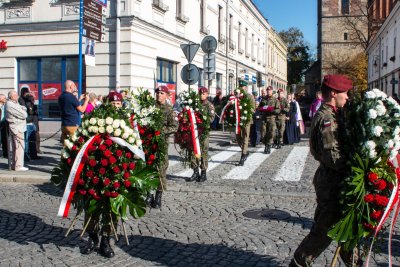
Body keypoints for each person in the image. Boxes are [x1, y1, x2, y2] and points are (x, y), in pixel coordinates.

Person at [289, 74, 357, 267]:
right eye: (345, 93)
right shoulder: (326, 118)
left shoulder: (336, 113)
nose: (348, 97)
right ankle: (299, 263)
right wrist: (358, 168)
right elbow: (332, 156)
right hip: (332, 183)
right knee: (324, 232)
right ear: (334, 93)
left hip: (340, 180)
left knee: (348, 229)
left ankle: (356, 262)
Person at [82, 91, 123, 259]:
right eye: (112, 104)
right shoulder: (96, 117)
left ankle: (106, 240)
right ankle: (92, 237)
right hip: (95, 168)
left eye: (118, 104)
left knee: (111, 207)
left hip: (116, 171)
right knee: (91, 205)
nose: (115, 106)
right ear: (107, 104)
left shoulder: (126, 121)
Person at [151, 85, 178, 209]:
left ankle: (158, 196)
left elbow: (174, 126)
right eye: (157, 93)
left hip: (162, 144)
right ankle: (147, 194)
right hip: (149, 143)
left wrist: (161, 130)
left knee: (161, 169)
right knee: (148, 168)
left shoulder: (169, 110)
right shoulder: (150, 107)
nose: (159, 95)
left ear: (166, 95)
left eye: (162, 93)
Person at [187, 87, 215, 182]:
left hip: (204, 132)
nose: (201, 95)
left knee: (203, 151)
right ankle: (195, 172)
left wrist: (202, 119)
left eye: (203, 93)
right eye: (200, 93)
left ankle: (203, 172)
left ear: (207, 94)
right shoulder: (194, 104)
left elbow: (211, 118)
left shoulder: (209, 105)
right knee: (193, 151)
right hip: (194, 131)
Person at [5, 91, 28, 171]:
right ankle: (18, 166)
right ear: (11, 96)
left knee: (17, 147)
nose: (17, 96)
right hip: (17, 128)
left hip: (19, 127)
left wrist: (22, 109)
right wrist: (23, 110)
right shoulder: (10, 104)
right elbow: (24, 114)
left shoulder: (15, 103)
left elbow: (24, 108)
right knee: (19, 147)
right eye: (15, 95)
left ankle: (15, 165)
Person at [18, 86, 40, 160]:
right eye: (28, 92)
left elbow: (35, 108)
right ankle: (26, 156)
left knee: (32, 140)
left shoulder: (29, 99)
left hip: (32, 121)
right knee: (26, 141)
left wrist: (33, 98)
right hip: (26, 122)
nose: (29, 93)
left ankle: (34, 155)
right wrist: (30, 105)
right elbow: (28, 110)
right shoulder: (21, 99)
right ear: (24, 92)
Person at [236, 84, 255, 166]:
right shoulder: (237, 96)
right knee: (237, 137)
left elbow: (253, 109)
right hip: (238, 120)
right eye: (240, 86)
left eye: (243, 87)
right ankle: (245, 151)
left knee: (245, 137)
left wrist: (245, 108)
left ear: (246, 88)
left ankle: (243, 156)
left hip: (247, 119)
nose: (241, 88)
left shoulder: (249, 97)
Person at [259, 86, 280, 154]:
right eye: (267, 90)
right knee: (263, 133)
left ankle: (268, 145)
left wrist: (273, 110)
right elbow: (260, 107)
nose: (268, 91)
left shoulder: (275, 100)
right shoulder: (263, 99)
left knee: (271, 133)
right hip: (264, 118)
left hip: (271, 118)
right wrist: (261, 109)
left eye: (270, 90)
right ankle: (266, 145)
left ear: (272, 91)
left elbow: (278, 110)